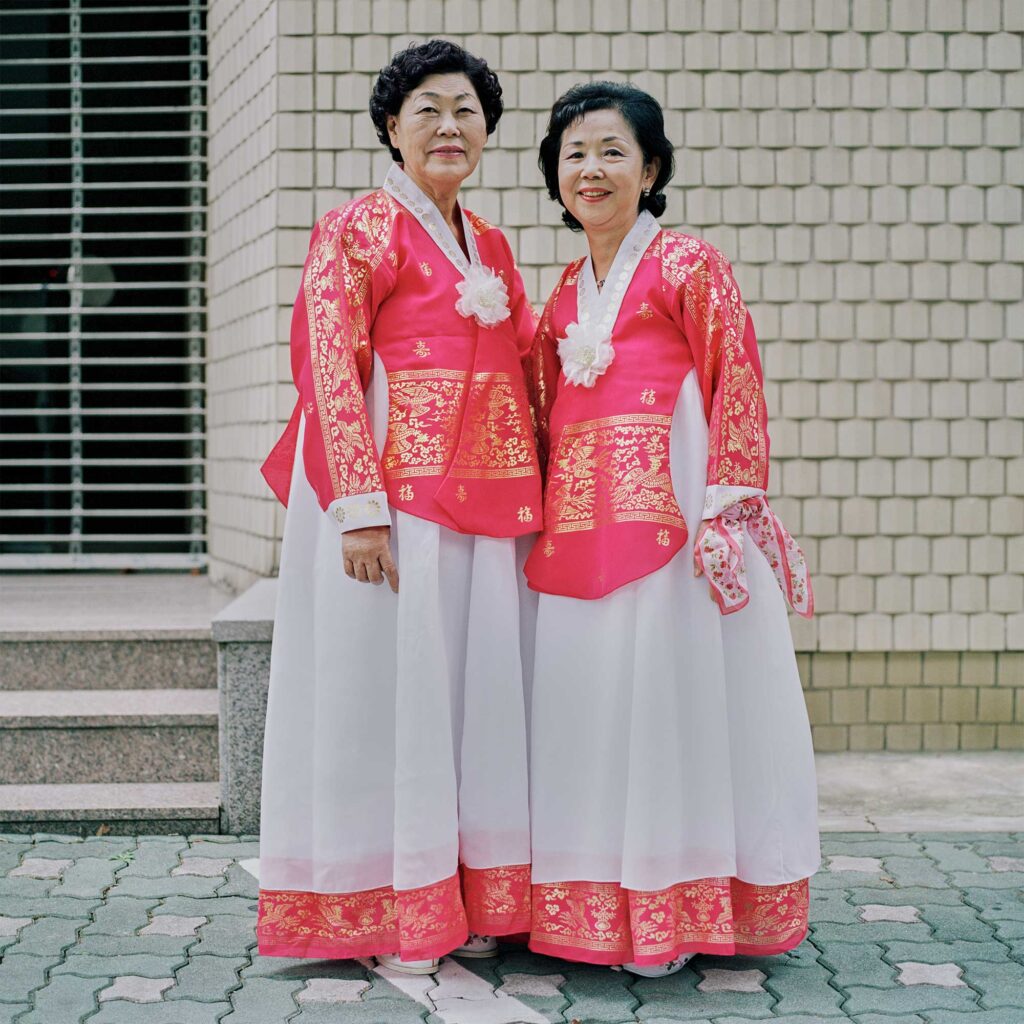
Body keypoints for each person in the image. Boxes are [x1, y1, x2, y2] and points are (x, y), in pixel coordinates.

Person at [256, 40, 542, 974]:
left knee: (472, 698)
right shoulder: (354, 228)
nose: (449, 126)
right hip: (393, 509)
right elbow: (328, 364)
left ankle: (477, 898)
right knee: (390, 696)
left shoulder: (492, 243)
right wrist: (359, 506)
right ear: (391, 127)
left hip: (486, 512)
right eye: (427, 109)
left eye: (466, 110)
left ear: (487, 132)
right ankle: (388, 908)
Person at [524, 81, 820, 978]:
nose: (591, 169)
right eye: (574, 153)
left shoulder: (691, 264)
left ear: (651, 170)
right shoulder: (563, 294)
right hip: (580, 541)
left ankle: (676, 910)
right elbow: (540, 418)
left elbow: (738, 378)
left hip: (676, 535)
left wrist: (728, 507)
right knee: (593, 710)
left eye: (613, 151)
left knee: (672, 703)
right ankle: (601, 913)